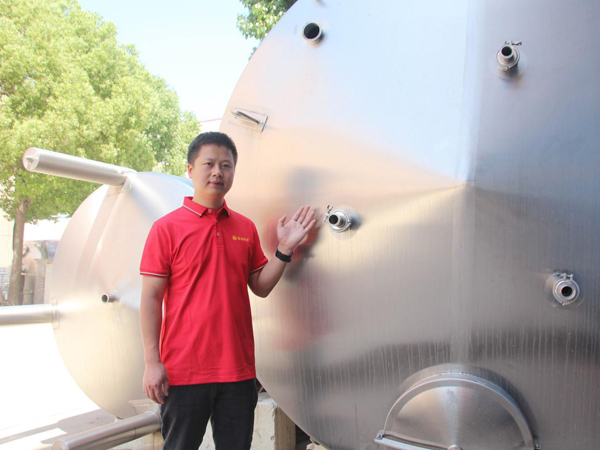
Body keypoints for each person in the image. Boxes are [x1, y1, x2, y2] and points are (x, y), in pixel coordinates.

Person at [139, 132, 315, 450]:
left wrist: (285, 249)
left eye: (226, 165)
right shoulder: (166, 229)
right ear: (190, 169)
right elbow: (151, 299)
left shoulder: (244, 228)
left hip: (238, 373)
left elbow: (260, 286)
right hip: (183, 372)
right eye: (208, 164)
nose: (217, 172)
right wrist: (153, 362)